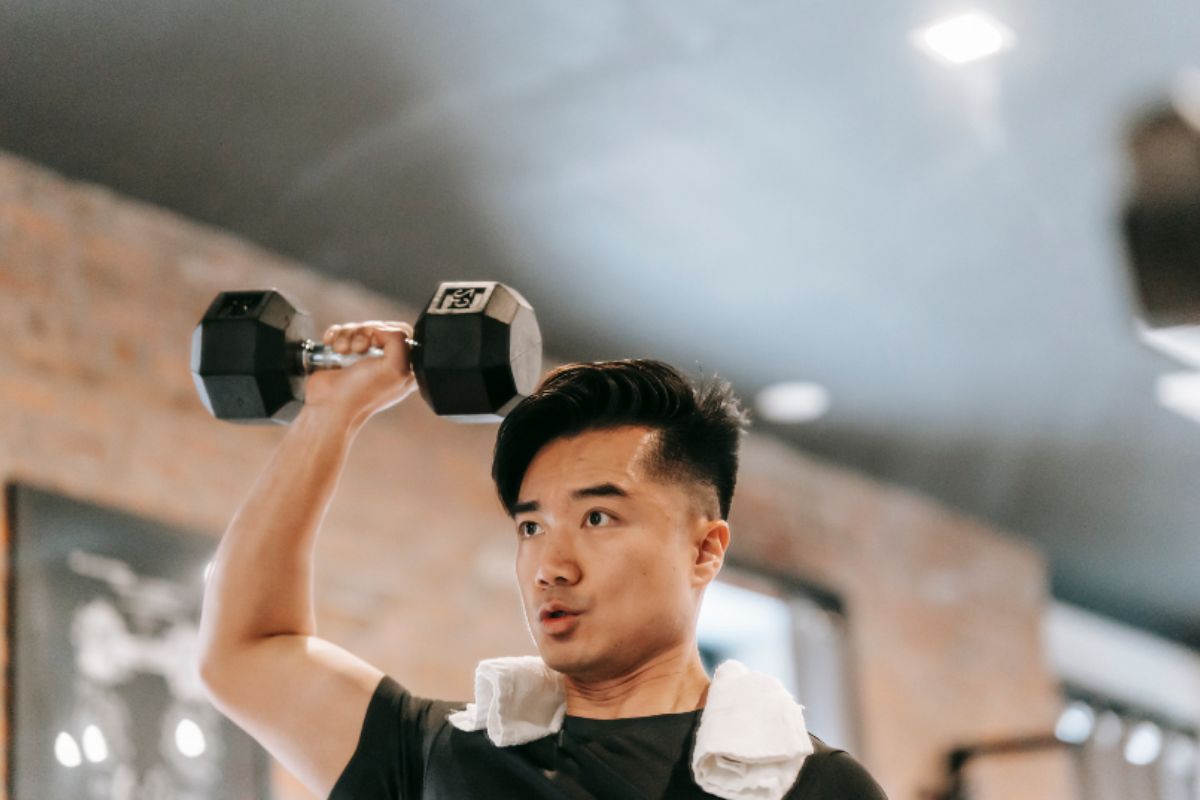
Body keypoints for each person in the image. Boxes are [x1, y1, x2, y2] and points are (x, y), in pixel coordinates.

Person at [197, 320, 889, 800]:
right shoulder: (443, 758)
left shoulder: (807, 787)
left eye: (597, 517)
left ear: (704, 550)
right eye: (530, 527)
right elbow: (244, 648)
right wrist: (330, 414)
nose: (550, 565)